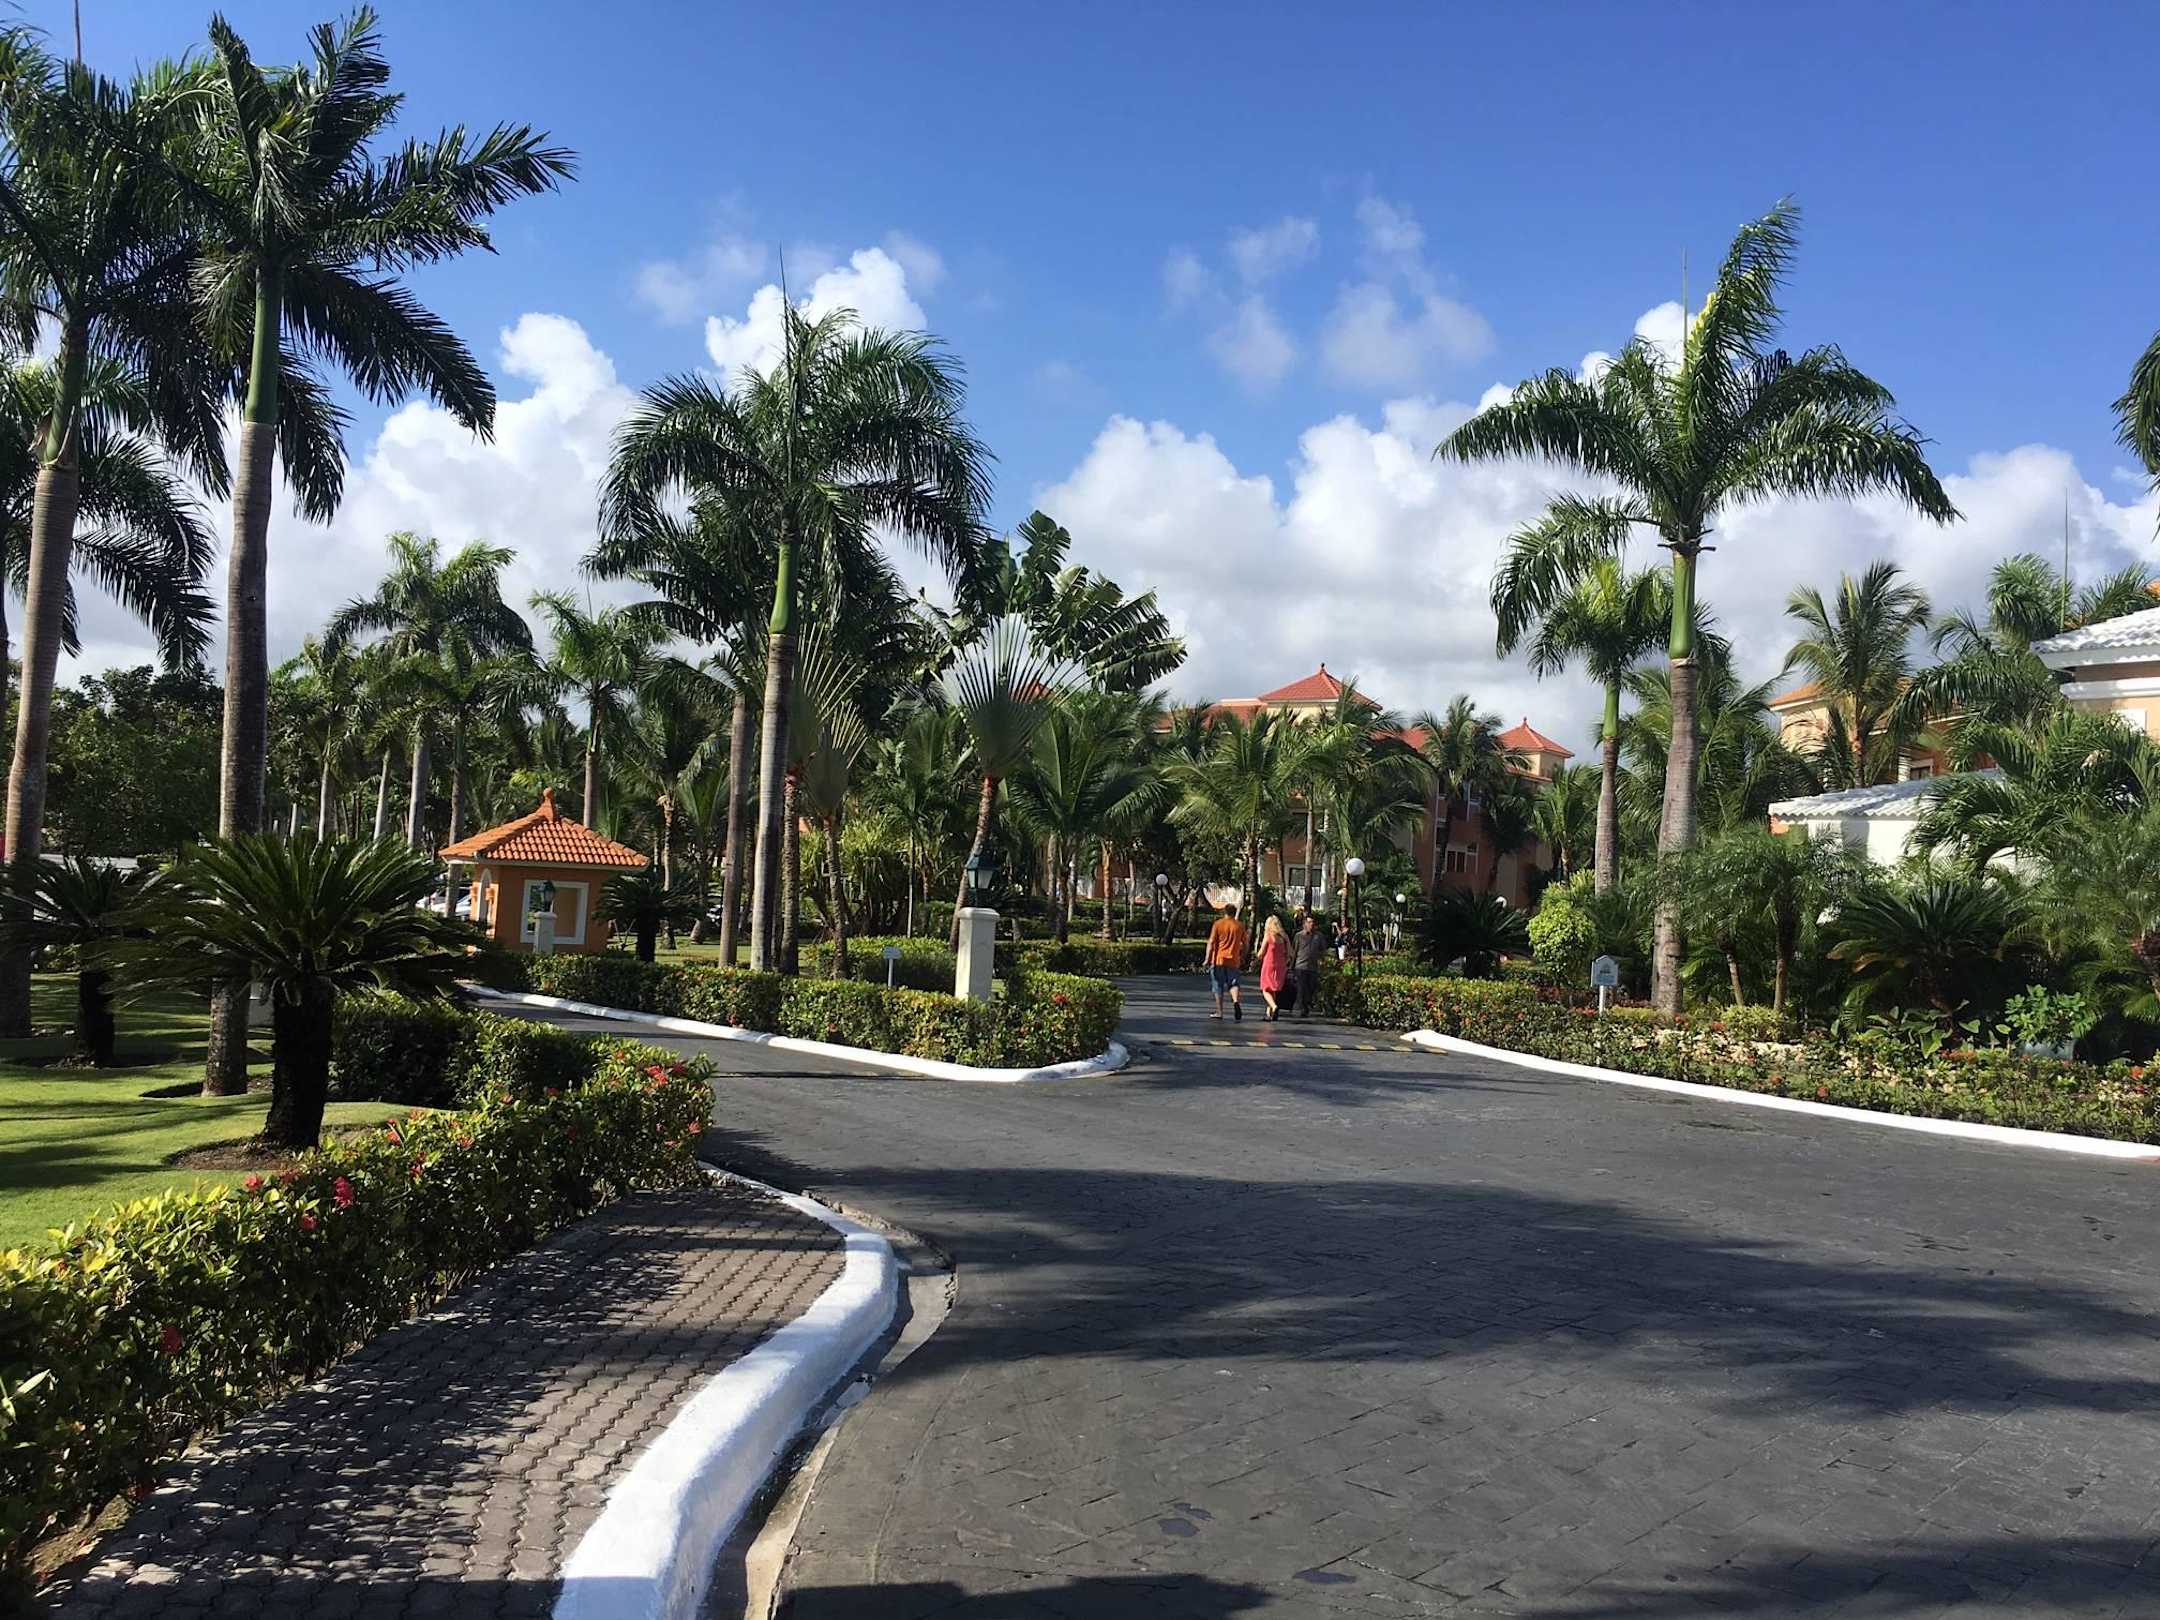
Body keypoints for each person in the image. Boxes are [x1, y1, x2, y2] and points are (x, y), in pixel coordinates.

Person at [1203, 902, 1249, 1020]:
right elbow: (1246, 944)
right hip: (1233, 960)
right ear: (1234, 913)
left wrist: (1207, 959)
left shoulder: (1218, 924)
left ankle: (1220, 1012)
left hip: (1218, 959)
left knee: (1218, 986)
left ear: (1225, 912)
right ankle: (1235, 1001)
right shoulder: (1239, 926)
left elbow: (1211, 942)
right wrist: (1243, 956)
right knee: (1233, 984)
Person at [1257, 914, 1291, 1021]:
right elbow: (1290, 952)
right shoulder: (1284, 937)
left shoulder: (1268, 936)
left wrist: (1257, 956)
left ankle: (1274, 1006)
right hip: (1281, 966)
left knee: (1265, 989)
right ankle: (1269, 1013)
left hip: (1269, 964)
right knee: (1273, 989)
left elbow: (1261, 952)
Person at [1291, 912, 1325, 1019]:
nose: (1311, 924)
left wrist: (1322, 961)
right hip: (1300, 966)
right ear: (1304, 924)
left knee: (1310, 988)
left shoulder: (1318, 936)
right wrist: (1291, 966)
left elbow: (1323, 950)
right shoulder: (1298, 936)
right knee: (1301, 989)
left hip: (1313, 967)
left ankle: (1307, 1004)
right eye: (1309, 922)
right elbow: (1294, 951)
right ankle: (1303, 1009)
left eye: (1313, 922)